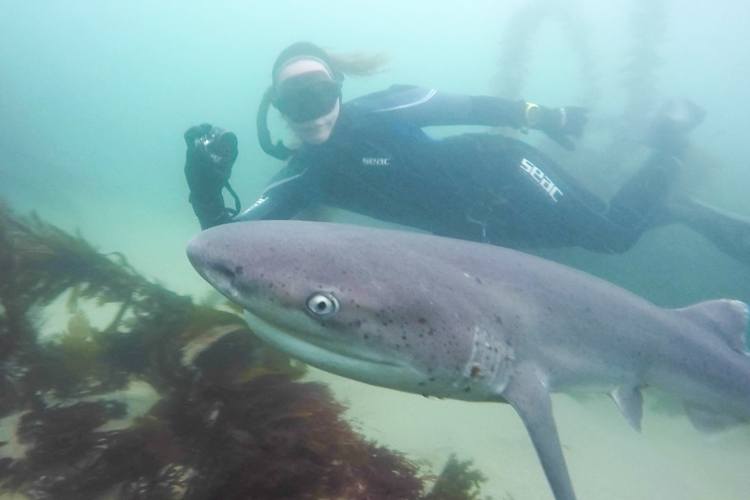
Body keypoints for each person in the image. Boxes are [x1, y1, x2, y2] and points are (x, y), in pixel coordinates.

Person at [184, 41, 750, 263]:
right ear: (277, 107)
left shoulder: (383, 108)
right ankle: (674, 208)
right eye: (295, 101)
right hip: (476, 229)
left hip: (504, 171)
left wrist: (541, 116)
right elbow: (228, 243)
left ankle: (671, 148)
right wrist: (204, 186)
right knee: (593, 236)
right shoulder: (302, 174)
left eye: (321, 93)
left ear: (339, 89)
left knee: (612, 237)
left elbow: (469, 105)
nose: (313, 112)